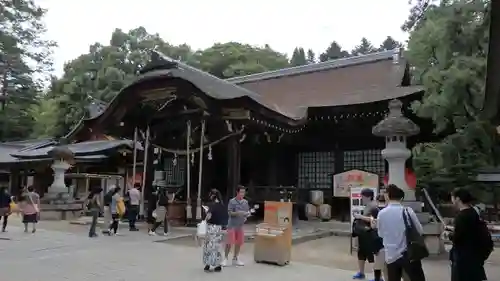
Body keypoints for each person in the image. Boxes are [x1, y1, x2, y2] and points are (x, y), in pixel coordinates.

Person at [377, 184, 426, 281]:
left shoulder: (382, 213)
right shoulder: (408, 211)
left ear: (388, 195)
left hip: (390, 255)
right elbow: (420, 230)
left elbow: (380, 234)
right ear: (401, 198)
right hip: (408, 254)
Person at [448, 188, 491, 281]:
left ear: (458, 199)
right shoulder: (473, 212)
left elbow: (457, 238)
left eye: (452, 198)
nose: (451, 200)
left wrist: (448, 235)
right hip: (474, 259)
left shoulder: (461, 216)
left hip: (463, 260)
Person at [352, 188, 384, 281]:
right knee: (361, 253)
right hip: (363, 234)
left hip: (370, 234)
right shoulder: (367, 205)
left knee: (372, 256)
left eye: (363, 196)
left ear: (368, 197)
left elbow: (374, 220)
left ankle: (379, 277)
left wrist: (360, 216)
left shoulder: (374, 206)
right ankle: (361, 273)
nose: (361, 198)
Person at [223, 185, 250, 267]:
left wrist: (246, 216)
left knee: (239, 242)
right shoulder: (232, 201)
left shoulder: (245, 202)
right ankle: (225, 258)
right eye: (241, 192)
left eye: (244, 192)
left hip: (240, 225)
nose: (242, 194)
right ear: (237, 192)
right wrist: (238, 213)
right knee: (229, 242)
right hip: (232, 225)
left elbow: (247, 212)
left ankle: (235, 258)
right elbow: (230, 213)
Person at [203, 189, 228, 272]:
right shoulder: (222, 206)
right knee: (217, 247)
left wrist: (206, 216)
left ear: (213, 196)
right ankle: (217, 264)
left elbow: (208, 217)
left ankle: (208, 264)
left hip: (211, 227)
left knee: (209, 247)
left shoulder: (212, 206)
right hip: (219, 228)